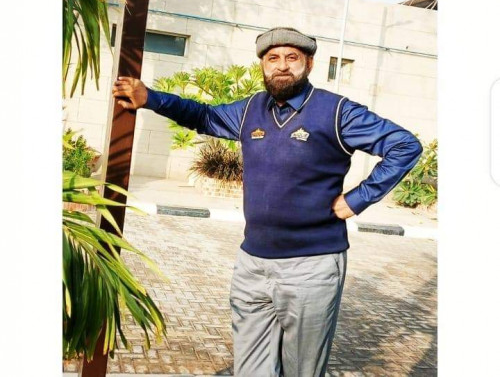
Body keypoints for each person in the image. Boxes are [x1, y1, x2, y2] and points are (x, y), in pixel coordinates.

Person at [112, 26, 422, 377]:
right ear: (263, 65)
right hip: (252, 264)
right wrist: (151, 98)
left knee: (301, 371)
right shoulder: (251, 110)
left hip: (311, 266)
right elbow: (204, 116)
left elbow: (404, 145)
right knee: (251, 370)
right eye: (273, 58)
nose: (282, 65)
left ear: (309, 64)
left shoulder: (337, 112)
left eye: (292, 57)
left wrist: (357, 199)